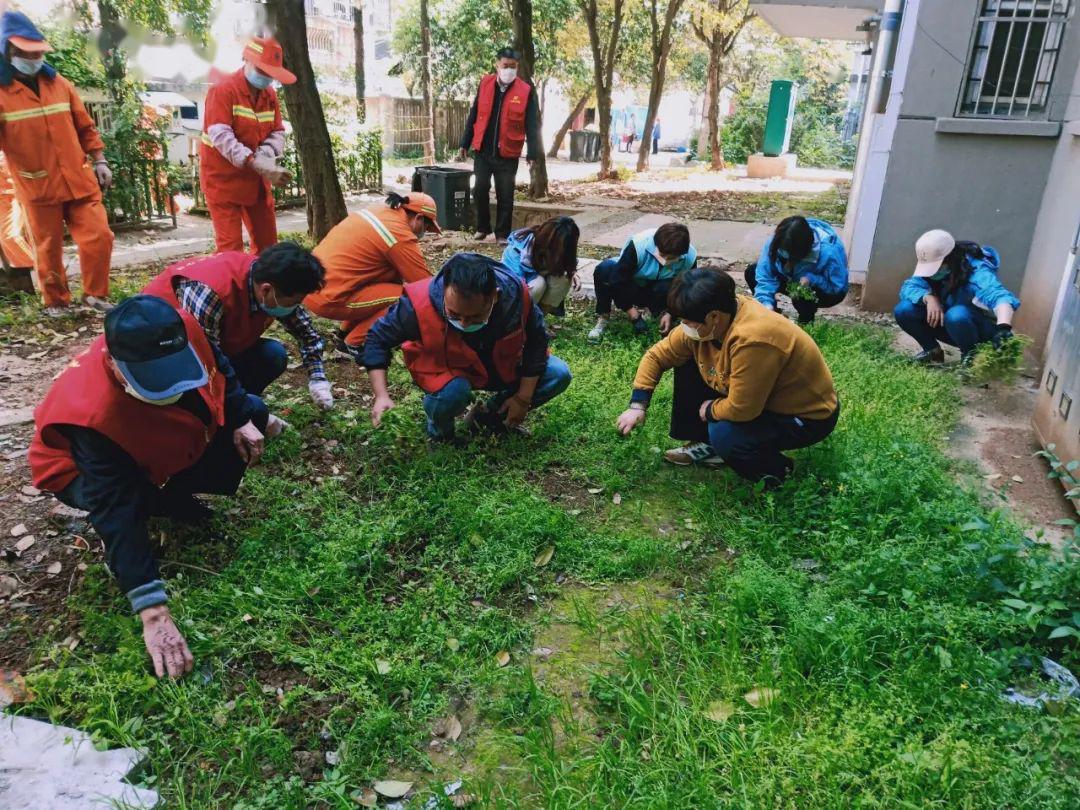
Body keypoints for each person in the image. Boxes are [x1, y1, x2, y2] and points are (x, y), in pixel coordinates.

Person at [28, 295, 289, 678]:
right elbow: (113, 504)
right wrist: (153, 612)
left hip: (159, 437)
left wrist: (239, 418)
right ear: (117, 367)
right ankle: (156, 504)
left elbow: (220, 370)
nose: (171, 388)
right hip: (78, 474)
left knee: (251, 410)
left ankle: (168, 494)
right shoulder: (89, 415)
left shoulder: (180, 326)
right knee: (131, 501)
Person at [616, 268, 839, 486]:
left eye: (688, 321)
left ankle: (780, 473)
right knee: (686, 358)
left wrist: (711, 409)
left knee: (725, 433)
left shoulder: (753, 339)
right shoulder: (715, 317)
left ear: (714, 316)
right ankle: (704, 445)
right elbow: (657, 356)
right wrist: (638, 405)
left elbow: (743, 408)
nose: (684, 327)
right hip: (761, 396)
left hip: (805, 415)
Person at [364, 252, 572, 441]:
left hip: (500, 367)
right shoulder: (417, 305)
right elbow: (377, 339)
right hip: (448, 371)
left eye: (474, 317)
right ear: (444, 292)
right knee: (453, 392)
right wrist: (381, 395)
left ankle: (487, 418)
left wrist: (522, 398)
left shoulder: (517, 298)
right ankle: (440, 435)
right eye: (454, 315)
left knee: (558, 373)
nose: (463, 323)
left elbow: (536, 343)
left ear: (495, 297)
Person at [0, 11, 114, 315]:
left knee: (99, 235)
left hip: (79, 177)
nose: (36, 56)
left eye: (39, 50)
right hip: (37, 183)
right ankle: (56, 302)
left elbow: (85, 127)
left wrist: (100, 160)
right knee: (48, 247)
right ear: (10, 51)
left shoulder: (59, 83)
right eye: (29, 52)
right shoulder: (2, 93)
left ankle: (95, 295)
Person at [142, 241, 333, 411]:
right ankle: (214, 414)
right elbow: (204, 361)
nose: (294, 308)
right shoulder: (211, 293)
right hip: (165, 358)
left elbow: (306, 333)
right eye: (293, 302)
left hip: (211, 350)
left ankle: (235, 405)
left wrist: (318, 379)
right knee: (251, 411)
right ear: (266, 290)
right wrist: (241, 415)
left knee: (272, 354)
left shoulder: (270, 279)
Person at [306, 192, 441, 363]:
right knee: (406, 299)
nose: (425, 233)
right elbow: (424, 285)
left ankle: (345, 332)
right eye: (427, 228)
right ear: (419, 218)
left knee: (387, 282)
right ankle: (353, 344)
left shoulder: (380, 212)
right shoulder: (398, 234)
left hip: (313, 286)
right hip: (329, 297)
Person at [200, 36, 295, 254]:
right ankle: (233, 287)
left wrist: (265, 156)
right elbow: (221, 136)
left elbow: (278, 131)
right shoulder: (223, 90)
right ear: (246, 60)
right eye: (262, 70)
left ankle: (264, 286)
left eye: (270, 73)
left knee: (268, 248)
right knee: (230, 251)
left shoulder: (269, 95)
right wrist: (256, 163)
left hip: (256, 183)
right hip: (222, 182)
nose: (266, 77)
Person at [893, 229, 1020, 364]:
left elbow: (1000, 297)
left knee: (956, 314)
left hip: (978, 330)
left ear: (949, 260)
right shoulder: (932, 274)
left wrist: (1004, 328)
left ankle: (972, 358)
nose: (931, 273)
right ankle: (932, 351)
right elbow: (909, 287)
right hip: (952, 326)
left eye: (935, 268)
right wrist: (929, 297)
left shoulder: (977, 271)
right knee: (904, 310)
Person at [457, 47, 540, 245]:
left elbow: (532, 123)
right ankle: (482, 228)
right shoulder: (485, 83)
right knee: (479, 189)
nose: (509, 70)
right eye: (506, 66)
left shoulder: (525, 90)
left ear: (517, 67)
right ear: (497, 65)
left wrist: (533, 152)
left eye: (513, 67)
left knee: (505, 194)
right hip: (483, 150)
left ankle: (502, 234)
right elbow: (474, 114)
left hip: (508, 153)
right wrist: (464, 142)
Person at [588, 222, 697, 342]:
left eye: (671, 258)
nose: (665, 261)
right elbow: (618, 279)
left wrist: (671, 313)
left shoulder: (689, 257)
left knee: (672, 285)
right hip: (633, 285)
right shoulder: (639, 244)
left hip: (660, 291)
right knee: (604, 269)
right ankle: (603, 317)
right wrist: (632, 313)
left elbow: (687, 290)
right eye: (662, 255)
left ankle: (654, 313)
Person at [745, 216, 849, 324]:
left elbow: (836, 288)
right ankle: (773, 318)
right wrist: (765, 303)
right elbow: (765, 275)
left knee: (802, 294)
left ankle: (806, 323)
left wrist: (812, 279)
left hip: (825, 290)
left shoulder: (829, 253)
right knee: (751, 272)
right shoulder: (778, 241)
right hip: (792, 279)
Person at [500, 215, 580, 319]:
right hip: (515, 296)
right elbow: (511, 285)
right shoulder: (517, 249)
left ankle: (538, 321)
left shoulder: (562, 250)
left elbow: (567, 263)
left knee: (563, 279)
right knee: (538, 284)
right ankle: (518, 324)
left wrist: (572, 272)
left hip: (536, 285)